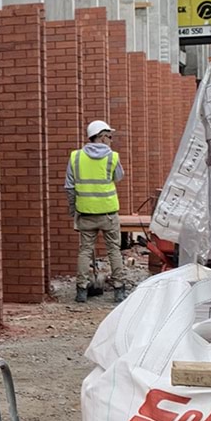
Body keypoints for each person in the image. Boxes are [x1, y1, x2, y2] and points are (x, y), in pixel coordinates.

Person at [64, 119, 130, 305]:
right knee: (113, 251)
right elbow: (118, 177)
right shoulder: (112, 157)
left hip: (85, 213)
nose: (111, 140)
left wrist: (73, 209)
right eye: (109, 136)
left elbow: (69, 187)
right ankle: (119, 290)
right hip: (108, 213)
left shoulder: (76, 157)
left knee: (85, 251)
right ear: (101, 137)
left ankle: (81, 291)